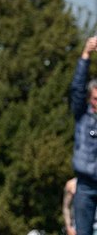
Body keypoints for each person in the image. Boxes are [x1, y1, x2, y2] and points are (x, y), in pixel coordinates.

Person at [70, 36, 97, 235]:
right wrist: (86, 55)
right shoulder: (82, 114)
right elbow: (77, 89)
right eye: (96, 98)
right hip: (85, 186)